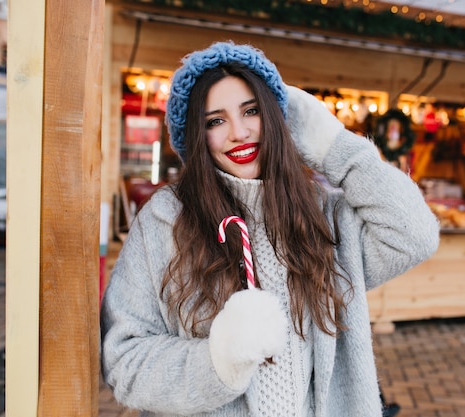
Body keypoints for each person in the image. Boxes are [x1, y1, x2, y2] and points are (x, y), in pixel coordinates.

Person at [101, 41, 439, 417]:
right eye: (215, 120)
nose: (239, 132)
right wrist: (218, 361)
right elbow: (124, 361)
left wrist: (336, 148)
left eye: (252, 111)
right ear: (196, 135)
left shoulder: (319, 214)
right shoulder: (166, 220)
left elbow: (414, 235)